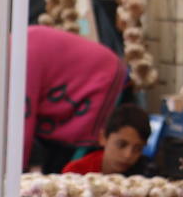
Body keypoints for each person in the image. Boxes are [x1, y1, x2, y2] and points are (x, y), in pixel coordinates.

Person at [24, 24, 129, 170]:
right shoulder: (20, 46)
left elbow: (21, 123)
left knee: (71, 169)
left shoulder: (21, 56)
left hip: (102, 80)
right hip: (82, 81)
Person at [62, 104, 153, 176]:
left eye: (138, 149)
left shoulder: (146, 175)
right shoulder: (76, 173)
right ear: (103, 138)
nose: (128, 155)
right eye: (121, 145)